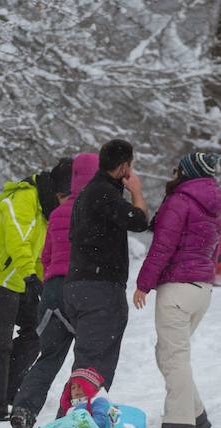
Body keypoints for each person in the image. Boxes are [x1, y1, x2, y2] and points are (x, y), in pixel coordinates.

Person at [133, 152, 221, 428]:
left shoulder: (180, 202)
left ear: (186, 172)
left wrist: (143, 284)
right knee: (170, 354)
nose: (172, 173)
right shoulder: (214, 206)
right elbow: (213, 250)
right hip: (201, 290)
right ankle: (196, 413)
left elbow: (162, 247)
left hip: (176, 290)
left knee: (173, 357)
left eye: (177, 169)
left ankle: (178, 426)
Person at [11, 154, 97, 428]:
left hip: (52, 293)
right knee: (86, 361)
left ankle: (23, 409)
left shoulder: (58, 213)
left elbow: (46, 257)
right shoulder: (95, 209)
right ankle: (73, 417)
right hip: (81, 289)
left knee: (48, 357)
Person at [0, 166, 59, 421]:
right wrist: (30, 274)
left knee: (38, 330)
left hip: (18, 279)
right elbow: (16, 238)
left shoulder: (45, 211)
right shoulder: (22, 197)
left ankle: (6, 390)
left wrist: (44, 279)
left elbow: (38, 251)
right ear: (57, 191)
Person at [64, 139, 150, 411]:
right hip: (99, 288)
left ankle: (85, 420)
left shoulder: (88, 194)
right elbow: (139, 221)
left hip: (79, 285)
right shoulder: (103, 193)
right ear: (124, 166)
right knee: (92, 364)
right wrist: (136, 191)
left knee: (92, 360)